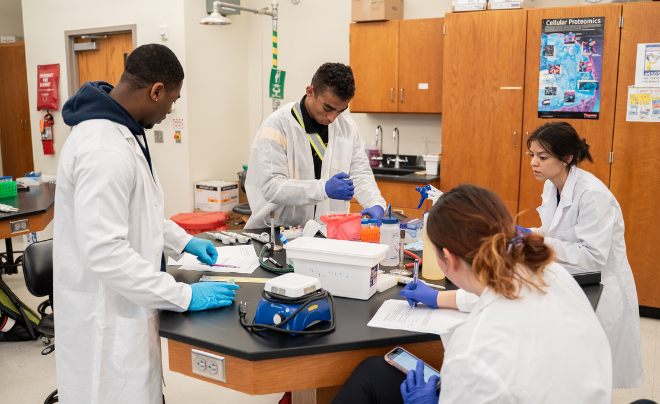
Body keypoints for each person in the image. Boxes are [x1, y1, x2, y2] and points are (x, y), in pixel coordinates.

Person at [54, 44, 239, 404]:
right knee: (112, 390)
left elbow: (140, 210)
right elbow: (105, 253)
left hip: (126, 299)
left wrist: (182, 241)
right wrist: (183, 295)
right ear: (155, 90)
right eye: (171, 100)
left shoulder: (121, 131)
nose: (171, 109)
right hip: (106, 311)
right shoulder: (103, 149)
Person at [331, 184, 612, 404]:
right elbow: (495, 294)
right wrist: (439, 298)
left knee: (370, 381)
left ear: (447, 259)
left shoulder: (471, 353)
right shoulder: (549, 273)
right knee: (374, 372)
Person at [526, 121, 643, 388]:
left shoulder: (593, 195)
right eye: (532, 155)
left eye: (542, 157)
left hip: (600, 286)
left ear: (567, 158)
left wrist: (539, 242)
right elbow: (555, 229)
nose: (534, 162)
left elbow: (592, 255)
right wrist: (527, 232)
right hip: (571, 279)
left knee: (591, 372)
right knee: (569, 366)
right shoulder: (551, 184)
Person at [245, 62, 386, 229]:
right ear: (310, 91)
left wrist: (376, 203)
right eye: (328, 108)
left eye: (341, 110)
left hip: (326, 231)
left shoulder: (347, 127)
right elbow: (272, 186)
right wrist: (323, 189)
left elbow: (360, 174)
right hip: (277, 231)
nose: (333, 118)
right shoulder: (277, 126)